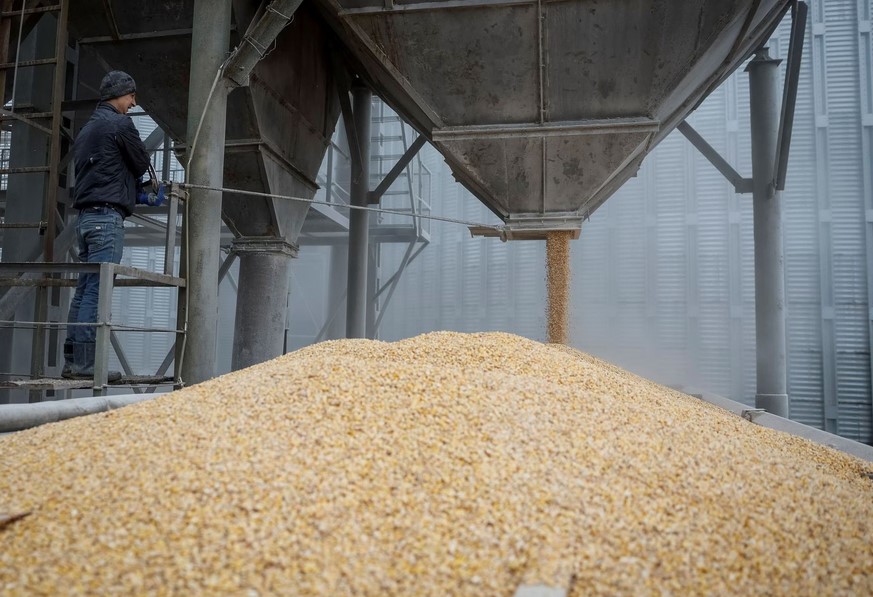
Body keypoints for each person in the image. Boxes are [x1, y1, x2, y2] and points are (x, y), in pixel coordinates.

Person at [62, 70, 151, 379]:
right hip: (105, 219)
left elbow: (105, 168)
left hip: (85, 220)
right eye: (131, 96)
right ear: (118, 95)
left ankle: (73, 361)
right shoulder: (119, 123)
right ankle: (87, 366)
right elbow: (141, 163)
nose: (133, 103)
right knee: (97, 294)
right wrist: (140, 188)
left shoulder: (87, 128)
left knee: (84, 290)